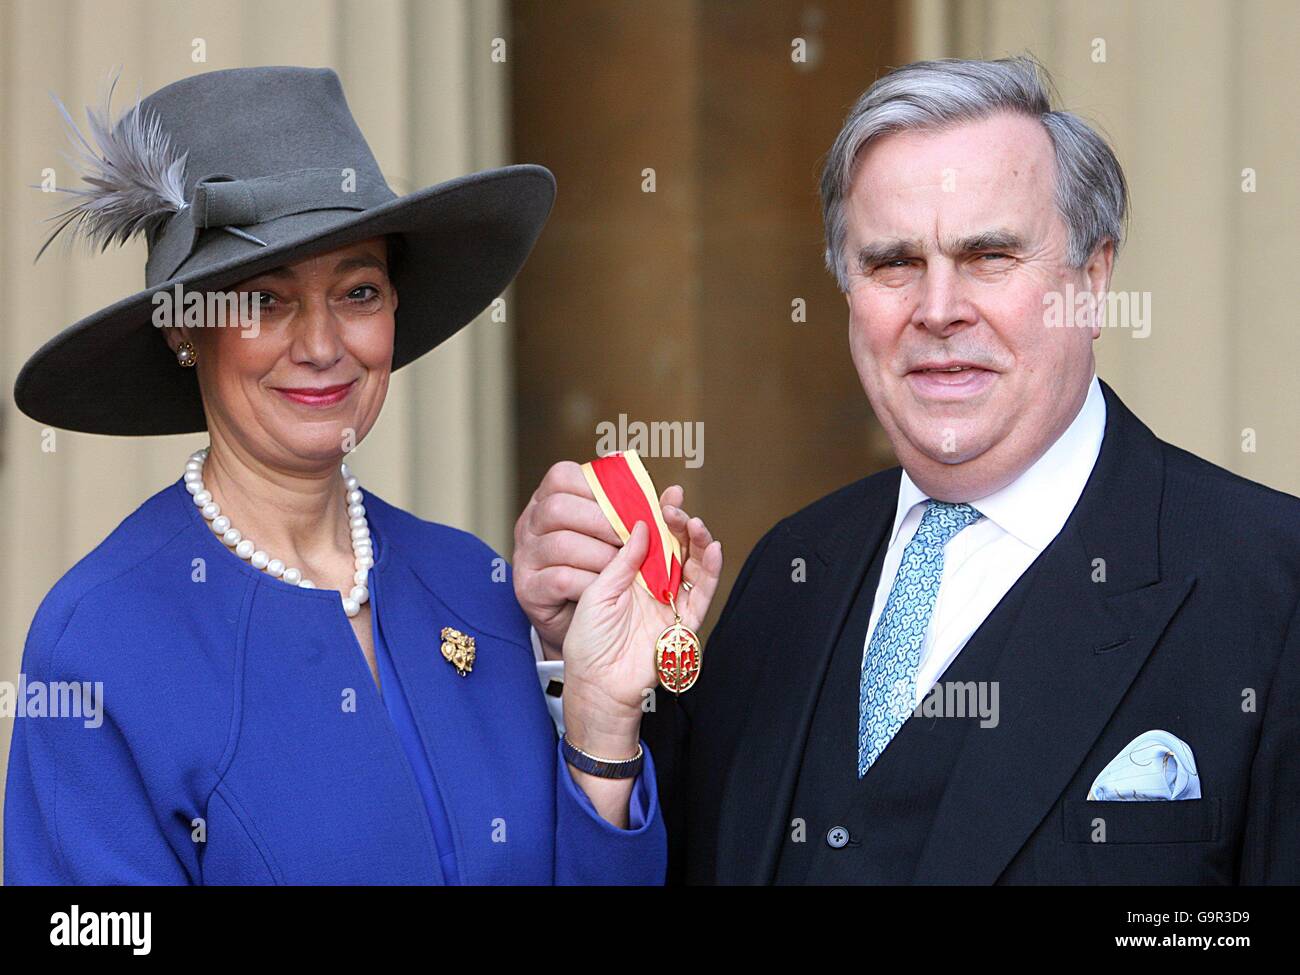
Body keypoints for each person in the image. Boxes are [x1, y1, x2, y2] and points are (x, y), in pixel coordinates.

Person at [512, 56, 1300, 884]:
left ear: (1092, 280)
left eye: (989, 255)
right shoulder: (790, 571)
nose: (938, 308)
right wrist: (598, 698)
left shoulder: (1272, 587)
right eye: (893, 263)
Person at [4, 65, 721, 885]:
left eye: (357, 289)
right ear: (184, 332)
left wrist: (601, 715)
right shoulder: (100, 640)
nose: (320, 344)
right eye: (262, 301)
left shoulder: (472, 583)